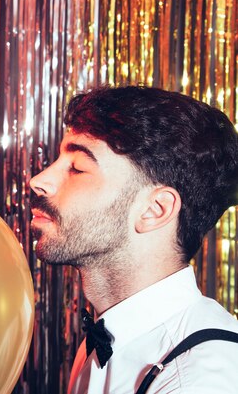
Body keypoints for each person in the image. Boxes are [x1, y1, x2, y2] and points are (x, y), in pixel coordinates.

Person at [29, 86, 238, 393]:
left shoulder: (197, 379)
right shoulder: (103, 339)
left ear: (155, 210)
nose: (39, 181)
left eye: (77, 168)